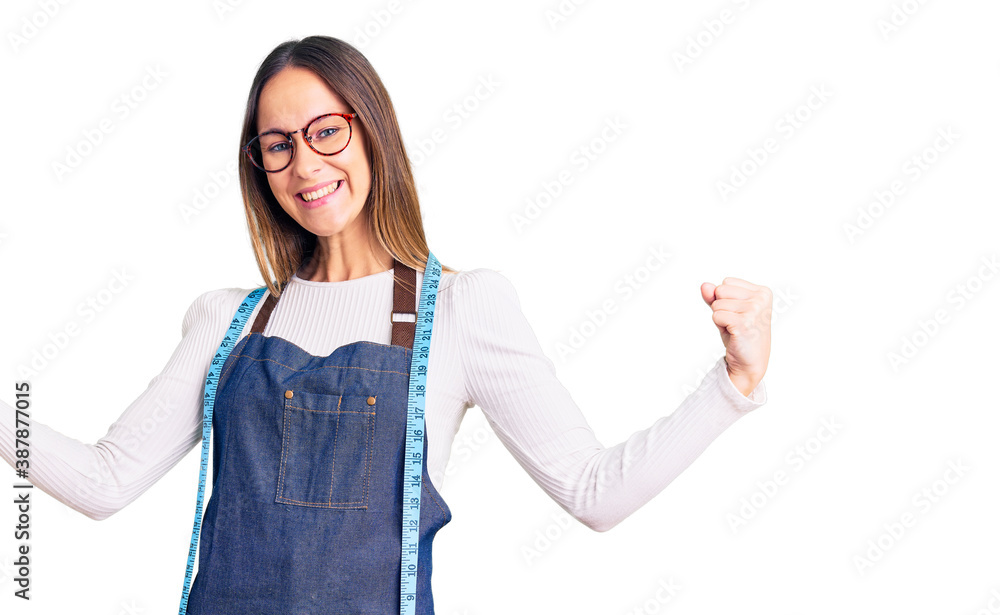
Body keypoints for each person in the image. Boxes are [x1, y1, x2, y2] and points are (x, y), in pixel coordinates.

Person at [0, 35, 771, 613]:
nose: (305, 165)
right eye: (278, 144)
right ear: (259, 166)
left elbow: (594, 490)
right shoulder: (224, 320)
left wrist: (733, 384)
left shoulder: (464, 310)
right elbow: (104, 481)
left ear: (370, 128)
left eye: (325, 130)